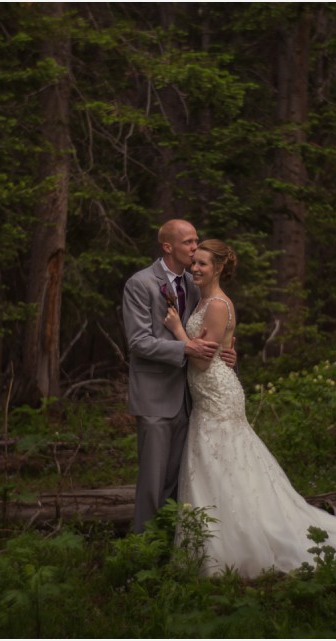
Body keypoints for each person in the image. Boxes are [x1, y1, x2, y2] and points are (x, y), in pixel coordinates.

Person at [162, 239, 336, 578]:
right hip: (209, 397)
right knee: (217, 466)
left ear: (219, 268)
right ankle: (213, 541)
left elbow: (205, 363)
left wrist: (177, 329)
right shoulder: (203, 299)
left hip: (217, 395)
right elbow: (217, 348)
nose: (195, 268)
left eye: (203, 264)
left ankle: (239, 545)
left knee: (223, 461)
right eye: (195, 263)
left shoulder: (219, 304)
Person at [122, 219, 237, 533]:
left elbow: (209, 328)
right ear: (167, 247)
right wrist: (186, 350)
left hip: (190, 399)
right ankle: (142, 548)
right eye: (188, 242)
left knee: (176, 482)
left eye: (196, 240)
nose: (194, 247)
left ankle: (170, 544)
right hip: (155, 396)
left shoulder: (194, 281)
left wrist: (226, 351)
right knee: (152, 482)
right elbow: (138, 341)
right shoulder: (140, 283)